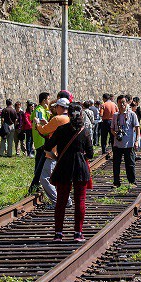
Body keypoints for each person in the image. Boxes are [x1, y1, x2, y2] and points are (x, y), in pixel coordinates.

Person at [45, 104, 93, 242]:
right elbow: (90, 153)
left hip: (63, 167)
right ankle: (78, 233)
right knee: (80, 200)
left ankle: (58, 233)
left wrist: (58, 156)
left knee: (61, 201)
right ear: (81, 115)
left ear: (68, 115)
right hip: (80, 168)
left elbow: (48, 147)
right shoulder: (85, 131)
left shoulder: (60, 130)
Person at [36, 98, 71, 206]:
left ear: (60, 107)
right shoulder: (69, 119)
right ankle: (67, 200)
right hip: (65, 153)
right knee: (61, 179)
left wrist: (37, 124)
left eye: (56, 107)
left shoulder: (57, 119)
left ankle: (58, 202)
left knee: (45, 178)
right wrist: (47, 123)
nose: (55, 109)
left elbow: (44, 131)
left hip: (53, 152)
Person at [111, 95, 140, 187]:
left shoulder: (132, 114)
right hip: (117, 144)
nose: (122, 104)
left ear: (127, 103)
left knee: (130, 164)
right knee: (116, 164)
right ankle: (116, 182)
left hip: (129, 144)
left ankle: (132, 182)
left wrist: (136, 141)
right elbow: (111, 129)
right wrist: (116, 135)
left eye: (124, 102)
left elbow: (137, 128)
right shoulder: (115, 116)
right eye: (120, 102)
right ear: (117, 104)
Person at [28, 92, 50, 193]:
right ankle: (36, 183)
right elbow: (40, 122)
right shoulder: (39, 110)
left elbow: (31, 117)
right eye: (48, 99)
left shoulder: (41, 109)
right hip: (41, 139)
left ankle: (37, 182)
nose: (49, 101)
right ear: (44, 100)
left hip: (40, 139)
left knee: (40, 161)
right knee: (40, 162)